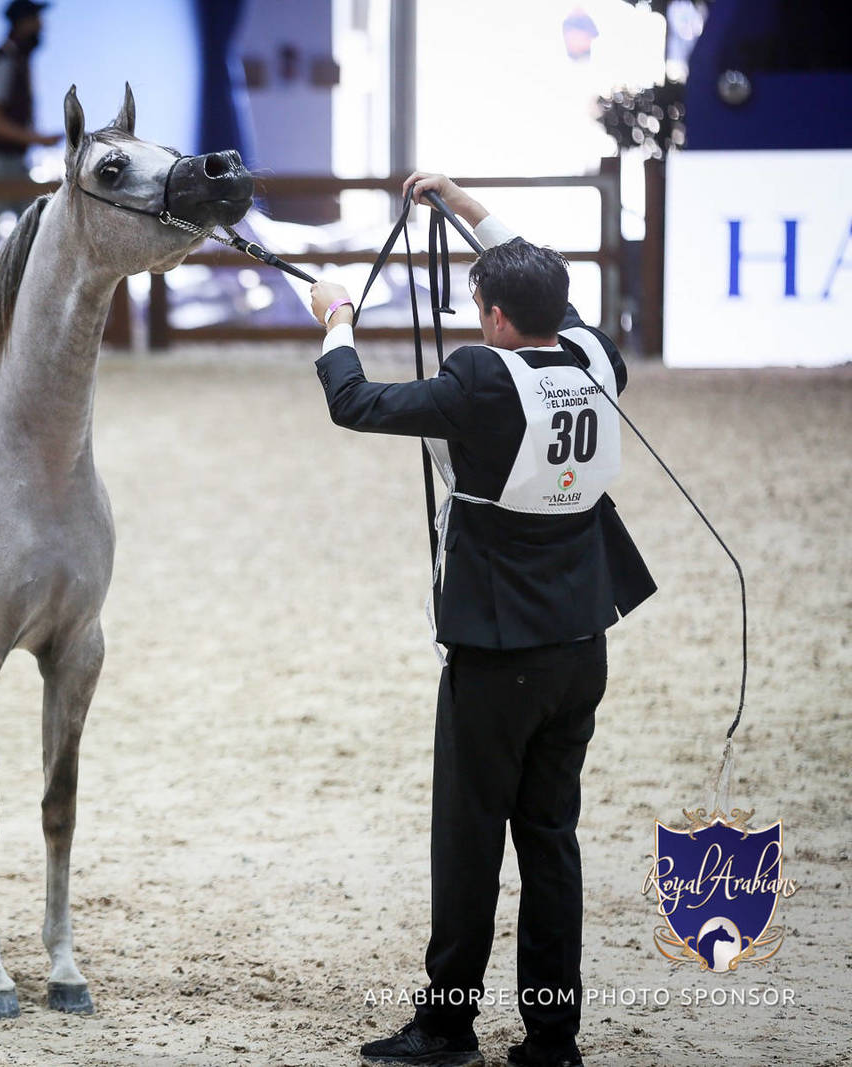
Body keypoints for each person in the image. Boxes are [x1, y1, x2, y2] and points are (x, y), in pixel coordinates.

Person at [308, 174, 656, 1067]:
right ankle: (553, 1038)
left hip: (499, 650)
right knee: (551, 842)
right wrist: (463, 204)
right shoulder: (597, 355)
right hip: (582, 637)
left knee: (468, 844)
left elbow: (355, 402)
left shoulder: (480, 379)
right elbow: (542, 287)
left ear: (495, 316)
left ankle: (447, 1024)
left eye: (480, 305)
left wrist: (338, 319)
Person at [0, 0, 61, 282]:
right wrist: (36, 138)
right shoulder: (5, 62)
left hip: (13, 162)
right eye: (35, 20)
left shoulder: (17, 62)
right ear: (22, 23)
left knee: (35, 231)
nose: (41, 27)